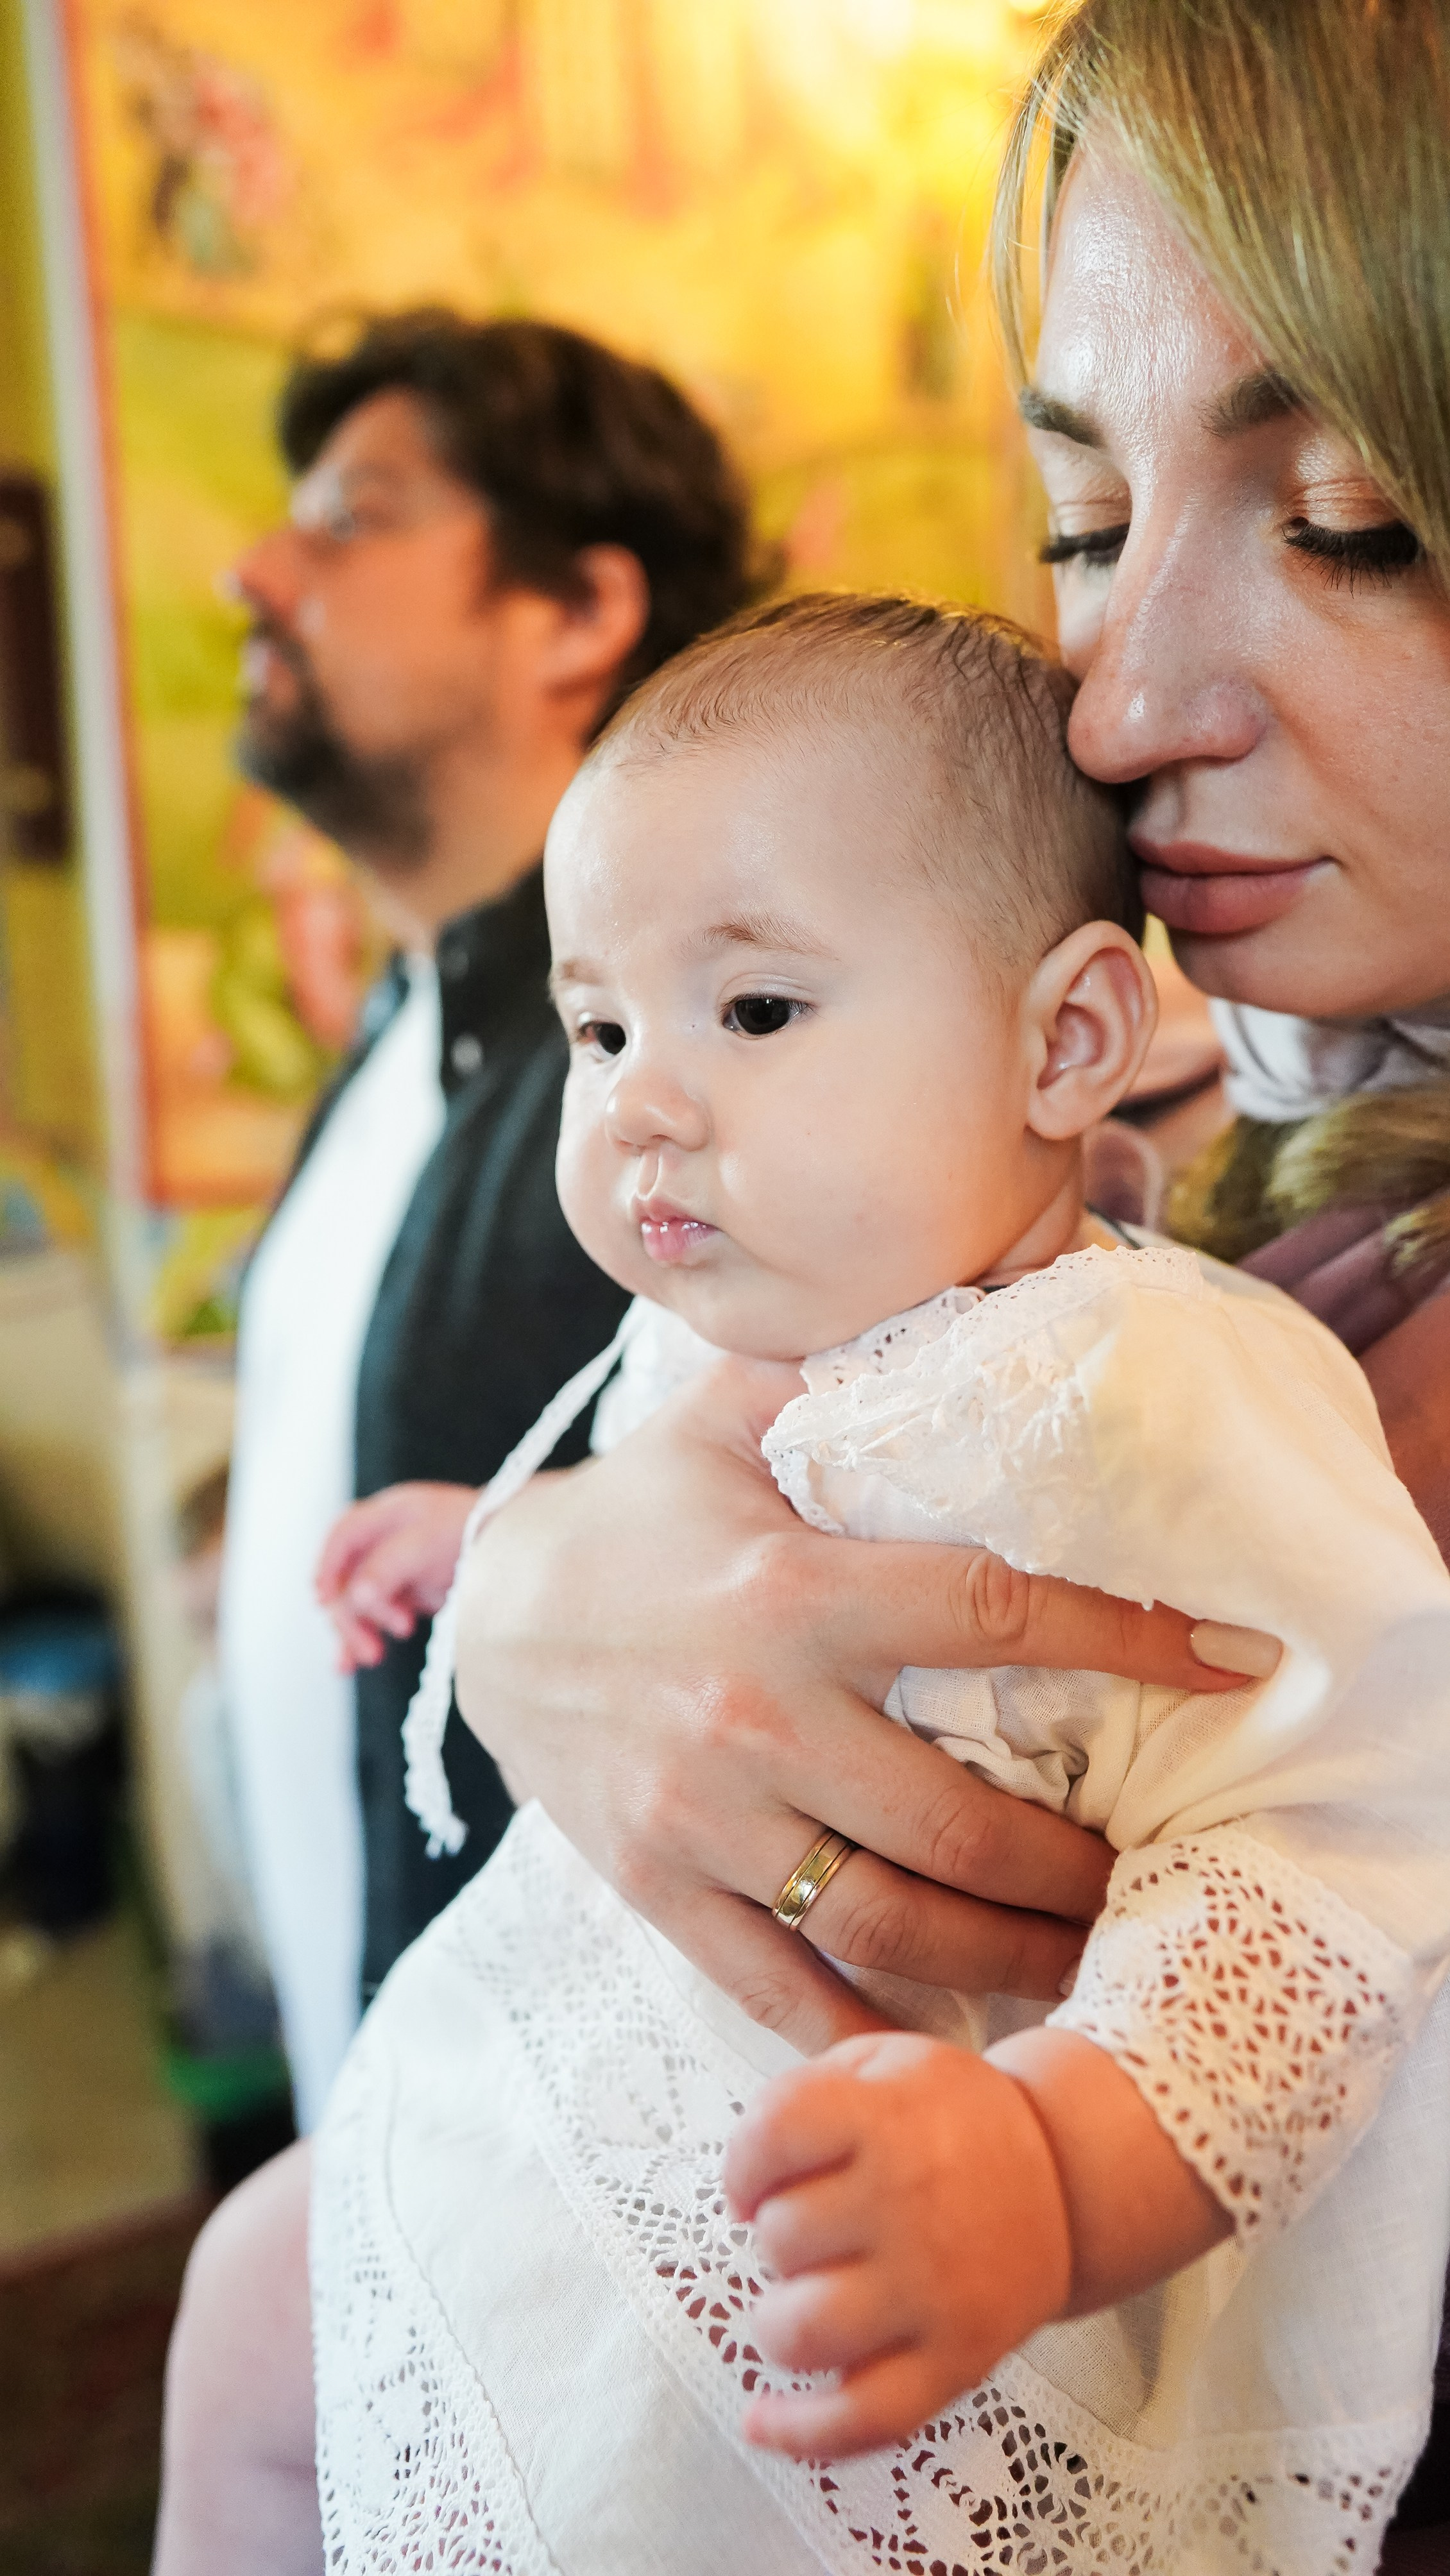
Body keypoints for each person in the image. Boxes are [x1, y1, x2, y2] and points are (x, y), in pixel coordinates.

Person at [153, 1, 1450, 2563]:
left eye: (1350, 519)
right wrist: (535, 1570)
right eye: (1079, 527)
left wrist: (1059, 2163)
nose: (1124, 692)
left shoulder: (1227, 1346)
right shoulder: (1197, 1163)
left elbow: (1294, 1879)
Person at [312, 591, 1450, 2575]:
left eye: (752, 1009)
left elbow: (1331, 1840)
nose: (639, 1098)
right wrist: (488, 1525)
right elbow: (645, 1503)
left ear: (1065, 1041)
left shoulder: (1152, 1387)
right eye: (602, 1025)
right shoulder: (770, 1307)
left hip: (918, 2274)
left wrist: (1054, 2167)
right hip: (591, 2168)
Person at [216, 310, 760, 2130]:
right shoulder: (398, 1028)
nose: (255, 569)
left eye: (354, 516)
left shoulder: (684, 1094)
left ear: (576, 613)